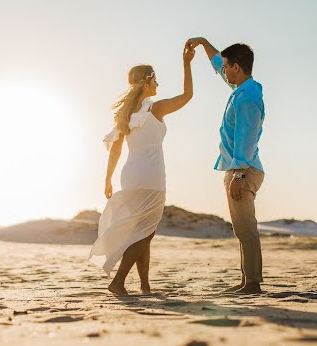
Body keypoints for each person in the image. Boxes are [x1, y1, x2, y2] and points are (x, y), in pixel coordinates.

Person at [89, 44, 195, 295]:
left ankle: (145, 285)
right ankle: (118, 282)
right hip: (151, 177)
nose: (158, 84)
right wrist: (187, 64)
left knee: (142, 231)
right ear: (147, 83)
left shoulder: (126, 116)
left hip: (131, 176)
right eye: (155, 80)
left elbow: (115, 150)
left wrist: (107, 180)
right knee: (145, 235)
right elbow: (187, 96)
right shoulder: (155, 109)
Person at [187, 38, 265, 294]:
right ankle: (247, 280)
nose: (224, 71)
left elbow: (247, 136)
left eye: (228, 67)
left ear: (237, 68)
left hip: (244, 169)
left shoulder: (247, 98)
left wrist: (239, 174)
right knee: (241, 228)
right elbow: (217, 63)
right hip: (238, 168)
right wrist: (202, 42)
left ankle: (252, 283)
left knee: (246, 228)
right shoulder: (242, 88)